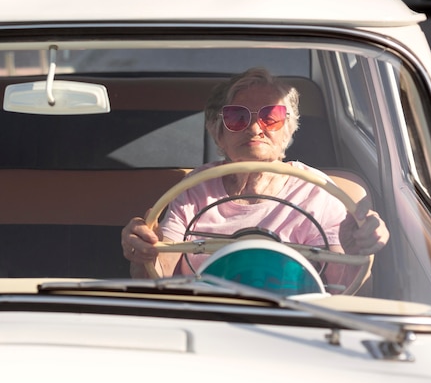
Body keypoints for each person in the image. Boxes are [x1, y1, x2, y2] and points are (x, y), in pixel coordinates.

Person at [120, 67, 390, 291]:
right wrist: (143, 253)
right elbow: (158, 277)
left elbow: (344, 292)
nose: (253, 128)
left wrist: (356, 251)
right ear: (218, 134)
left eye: (270, 118)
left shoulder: (315, 192)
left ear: (288, 133)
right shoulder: (194, 189)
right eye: (237, 117)